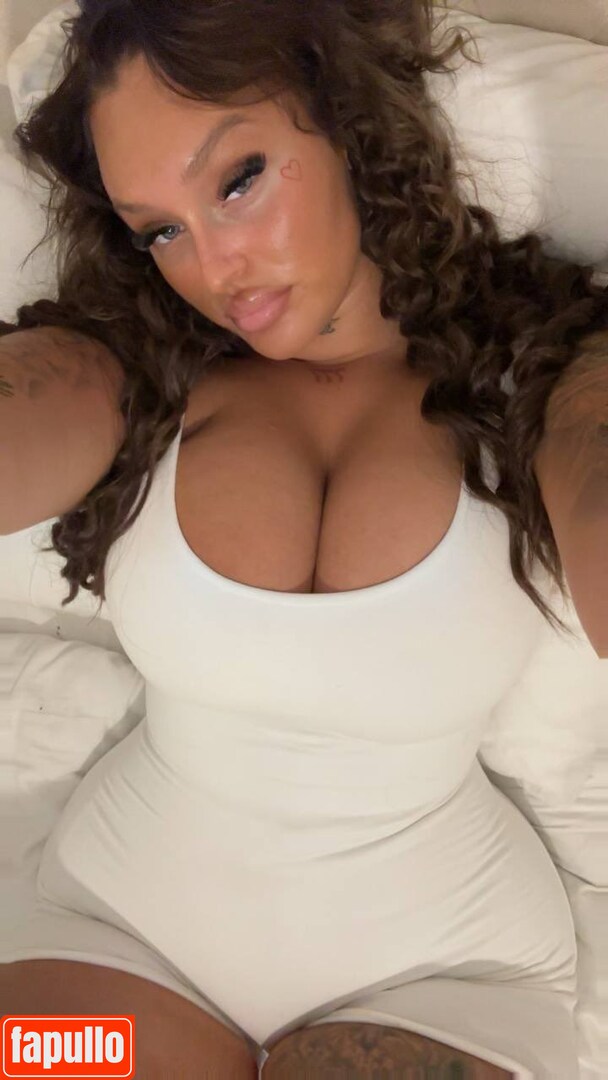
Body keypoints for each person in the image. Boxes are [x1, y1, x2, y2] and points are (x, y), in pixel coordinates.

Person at [0, 0, 606, 1075]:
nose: (214, 268)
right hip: (106, 928)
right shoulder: (129, 370)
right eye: (161, 230)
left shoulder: (553, 369)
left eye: (237, 180)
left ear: (343, 116)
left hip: (444, 974)